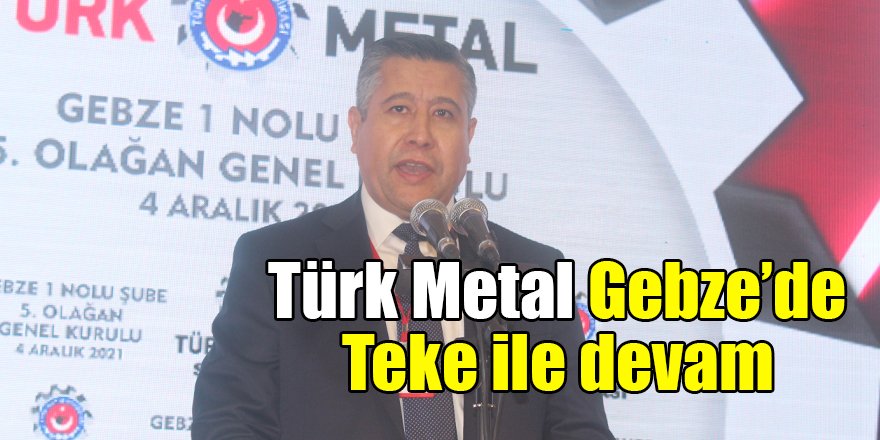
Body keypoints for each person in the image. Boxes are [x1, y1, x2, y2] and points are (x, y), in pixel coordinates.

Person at [192, 34, 614, 440]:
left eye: (443, 114)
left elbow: (579, 431)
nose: (420, 135)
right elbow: (229, 422)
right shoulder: (276, 261)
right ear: (356, 127)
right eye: (399, 109)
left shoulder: (531, 272)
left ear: (468, 137)